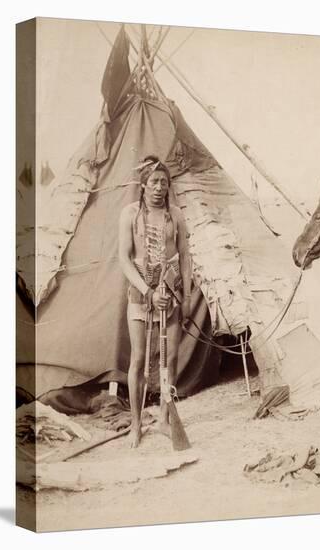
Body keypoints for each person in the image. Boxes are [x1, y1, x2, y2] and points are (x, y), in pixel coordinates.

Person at [119, 155, 192, 448]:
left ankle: (164, 419)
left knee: (170, 358)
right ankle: (136, 424)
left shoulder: (176, 214)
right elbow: (124, 259)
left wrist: (184, 295)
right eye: (154, 182)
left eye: (164, 181)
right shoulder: (130, 214)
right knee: (139, 360)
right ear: (143, 184)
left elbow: (185, 256)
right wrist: (148, 292)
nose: (159, 187)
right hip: (140, 293)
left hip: (170, 294)